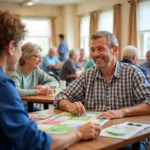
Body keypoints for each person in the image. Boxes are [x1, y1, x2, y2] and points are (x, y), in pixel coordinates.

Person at [0, 10, 101, 150]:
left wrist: (20, 120)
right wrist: (78, 133)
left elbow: (54, 81)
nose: (20, 53)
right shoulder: (4, 85)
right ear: (11, 47)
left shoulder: (31, 74)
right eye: (19, 47)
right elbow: (34, 142)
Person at [54, 31, 150, 124]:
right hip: (95, 133)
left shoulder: (132, 73)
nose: (95, 54)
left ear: (115, 50)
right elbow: (60, 97)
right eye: (93, 50)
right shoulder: (88, 75)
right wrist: (69, 105)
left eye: (101, 49)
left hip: (127, 135)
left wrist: (122, 112)